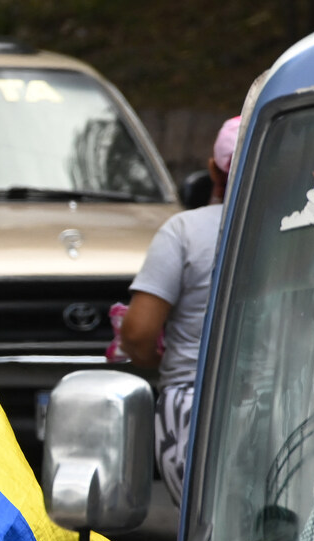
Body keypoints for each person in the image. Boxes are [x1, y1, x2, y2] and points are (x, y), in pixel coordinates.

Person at [121, 116, 241, 506]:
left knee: (205, 530)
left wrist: (157, 360)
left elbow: (138, 332)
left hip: (192, 408)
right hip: (293, 403)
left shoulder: (184, 231)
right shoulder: (306, 228)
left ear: (212, 168)